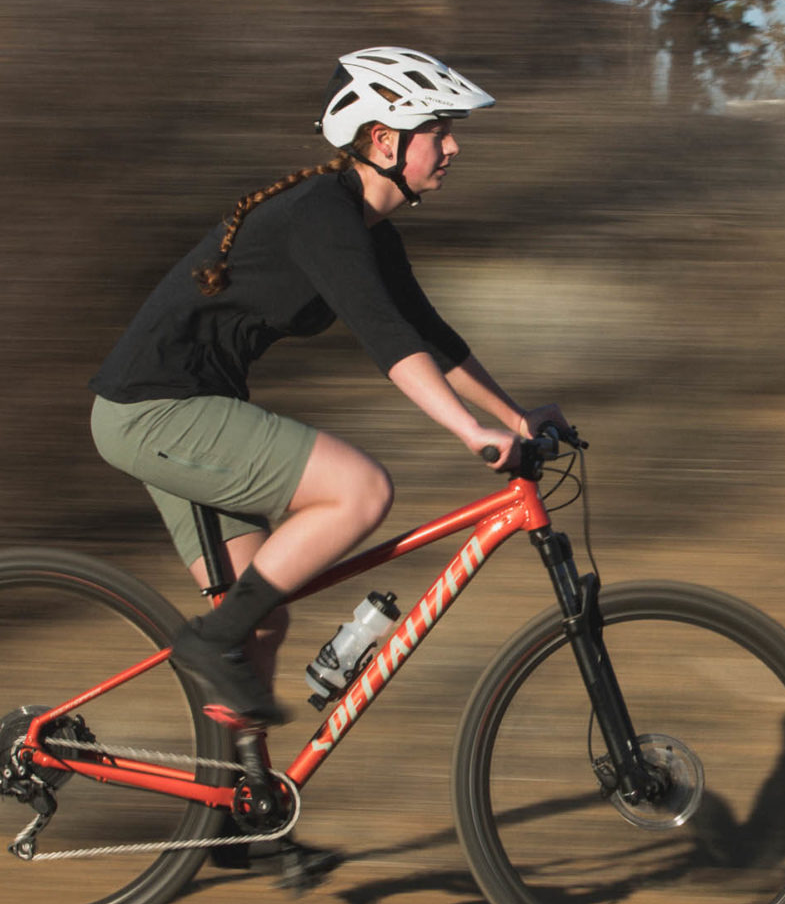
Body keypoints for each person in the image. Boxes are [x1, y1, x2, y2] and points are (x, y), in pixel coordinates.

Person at [89, 47, 567, 734]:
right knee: (361, 490)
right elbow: (386, 340)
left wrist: (515, 418)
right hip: (156, 411)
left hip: (181, 410)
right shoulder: (324, 215)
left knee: (260, 621)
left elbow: (427, 334)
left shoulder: (369, 230)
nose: (454, 146)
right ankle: (207, 641)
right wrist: (470, 432)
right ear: (384, 138)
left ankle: (238, 821)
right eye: (440, 130)